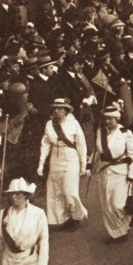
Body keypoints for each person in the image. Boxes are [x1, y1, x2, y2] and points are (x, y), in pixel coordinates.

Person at [37, 97, 88, 230]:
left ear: (66, 110)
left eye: (60, 108)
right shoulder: (49, 124)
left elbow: (81, 144)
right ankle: (64, 217)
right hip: (55, 158)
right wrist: (41, 163)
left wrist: (84, 165)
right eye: (55, 108)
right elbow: (45, 144)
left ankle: (76, 216)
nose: (56, 110)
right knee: (55, 190)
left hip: (71, 158)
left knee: (69, 190)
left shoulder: (73, 123)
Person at [93, 104, 133, 243]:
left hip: (121, 172)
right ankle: (117, 232)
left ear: (117, 119)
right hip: (104, 171)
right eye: (106, 119)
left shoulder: (125, 133)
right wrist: (91, 165)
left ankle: (128, 219)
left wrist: (132, 173)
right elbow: (97, 152)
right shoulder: (100, 132)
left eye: (111, 119)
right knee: (107, 204)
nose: (107, 121)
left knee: (118, 204)